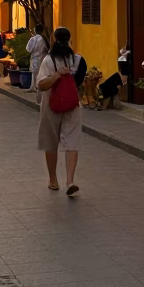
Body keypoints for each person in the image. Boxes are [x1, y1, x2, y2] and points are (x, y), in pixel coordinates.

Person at [36, 27, 87, 196]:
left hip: (52, 105)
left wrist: (56, 76)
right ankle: (70, 181)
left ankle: (53, 180)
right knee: (72, 141)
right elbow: (79, 83)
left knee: (51, 141)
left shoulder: (48, 61)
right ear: (70, 40)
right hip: (72, 105)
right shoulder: (79, 60)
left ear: (53, 40)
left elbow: (41, 85)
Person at [26, 24, 48, 92]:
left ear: (35, 30)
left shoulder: (33, 39)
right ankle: (36, 86)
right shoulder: (43, 39)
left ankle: (34, 86)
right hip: (42, 57)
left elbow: (28, 49)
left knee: (34, 72)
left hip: (35, 57)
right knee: (40, 72)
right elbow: (46, 49)